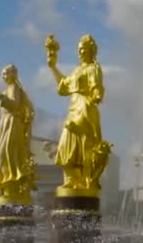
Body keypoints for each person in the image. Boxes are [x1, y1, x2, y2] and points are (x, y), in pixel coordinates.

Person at [46, 34, 109, 190]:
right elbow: (63, 85)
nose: (81, 52)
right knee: (66, 146)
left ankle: (84, 179)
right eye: (79, 49)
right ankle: (74, 180)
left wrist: (97, 95)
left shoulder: (93, 67)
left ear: (91, 51)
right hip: (74, 108)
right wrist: (53, 66)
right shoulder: (76, 70)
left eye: (84, 49)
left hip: (85, 108)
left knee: (83, 145)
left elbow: (96, 85)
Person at [0, 64, 36, 203]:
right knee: (2, 155)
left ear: (13, 74)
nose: (3, 76)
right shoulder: (9, 89)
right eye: (2, 74)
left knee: (7, 153)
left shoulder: (14, 87)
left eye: (6, 73)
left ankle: (13, 180)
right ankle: (9, 182)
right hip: (6, 123)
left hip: (12, 122)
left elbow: (14, 105)